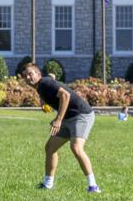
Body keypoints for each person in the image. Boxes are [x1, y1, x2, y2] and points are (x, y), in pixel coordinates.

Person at [20, 63, 100, 193]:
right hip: (67, 117)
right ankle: (48, 184)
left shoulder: (44, 83)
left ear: (38, 74)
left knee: (76, 147)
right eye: (25, 76)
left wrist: (58, 120)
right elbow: (52, 76)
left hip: (81, 115)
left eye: (31, 74)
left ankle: (93, 186)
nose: (28, 77)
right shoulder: (43, 84)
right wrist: (43, 99)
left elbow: (65, 95)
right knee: (50, 148)